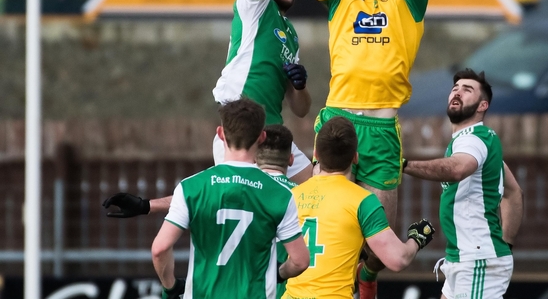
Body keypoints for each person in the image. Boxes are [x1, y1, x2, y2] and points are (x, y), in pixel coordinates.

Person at [103, 0, 314, 218]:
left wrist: (301, 86)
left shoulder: (289, 34)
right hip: (241, 128)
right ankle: (149, 207)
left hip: (275, 135)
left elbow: (301, 109)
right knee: (235, 203)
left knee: (322, 187)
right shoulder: (254, 7)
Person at [291, 0, 428, 298]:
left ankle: (366, 280)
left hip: (382, 128)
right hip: (337, 122)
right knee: (328, 224)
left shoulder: (409, 2)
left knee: (376, 241)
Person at [151, 98, 309, 299]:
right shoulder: (280, 194)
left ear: (220, 134)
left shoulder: (191, 187)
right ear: (261, 138)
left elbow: (160, 249)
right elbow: (300, 261)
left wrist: (170, 287)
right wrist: (277, 274)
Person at [283, 116, 435, 299]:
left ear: (315, 154)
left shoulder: (293, 195)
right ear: (355, 157)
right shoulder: (363, 201)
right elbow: (398, 259)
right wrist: (416, 239)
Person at [403, 68, 514, 299]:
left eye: (467, 90)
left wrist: (402, 165)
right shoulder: (480, 141)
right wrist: (506, 243)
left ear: (483, 105)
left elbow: (457, 169)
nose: (457, 93)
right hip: (463, 258)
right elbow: (514, 192)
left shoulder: (473, 139)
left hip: (476, 260)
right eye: (455, 89)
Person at [256, 124, 300, 299]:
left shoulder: (240, 190)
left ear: (254, 157)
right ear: (290, 159)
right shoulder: (300, 195)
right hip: (285, 291)